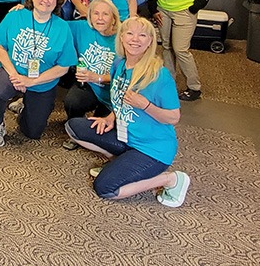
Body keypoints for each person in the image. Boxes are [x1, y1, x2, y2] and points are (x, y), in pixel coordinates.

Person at [64, 17, 191, 207]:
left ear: (150, 41)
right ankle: (119, 163)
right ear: (121, 37)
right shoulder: (119, 65)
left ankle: (169, 179)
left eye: (142, 35)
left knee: (105, 188)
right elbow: (119, 100)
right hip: (126, 137)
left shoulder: (159, 74)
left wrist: (146, 105)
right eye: (130, 33)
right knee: (74, 127)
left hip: (152, 149)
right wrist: (109, 118)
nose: (135, 39)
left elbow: (173, 117)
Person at [0, 0, 77, 145]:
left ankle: (24, 106)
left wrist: (32, 81)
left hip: (42, 81)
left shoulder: (62, 28)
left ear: (57, 1)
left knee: (32, 132)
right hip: (13, 71)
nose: (46, 0)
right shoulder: (15, 15)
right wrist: (14, 75)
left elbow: (64, 67)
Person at [62, 0, 120, 150]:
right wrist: (25, 10)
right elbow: (53, 23)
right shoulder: (82, 28)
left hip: (115, 93)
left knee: (102, 130)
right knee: (72, 101)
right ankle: (75, 132)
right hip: (90, 86)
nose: (100, 18)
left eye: (105, 14)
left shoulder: (122, 38)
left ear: (113, 18)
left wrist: (97, 77)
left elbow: (127, 76)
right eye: (95, 13)